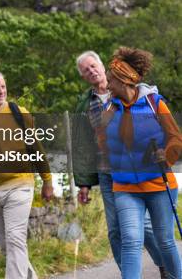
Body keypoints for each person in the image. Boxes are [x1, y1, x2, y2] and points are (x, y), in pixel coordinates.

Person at [72, 51, 165, 276]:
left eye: (93, 66)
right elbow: (82, 145)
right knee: (115, 230)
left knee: (144, 226)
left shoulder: (129, 89)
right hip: (107, 173)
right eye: (86, 70)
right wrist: (83, 183)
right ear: (84, 77)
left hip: (136, 170)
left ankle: (166, 265)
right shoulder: (85, 104)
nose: (91, 71)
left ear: (102, 66)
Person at [98, 47, 182, 279]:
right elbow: (102, 143)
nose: (107, 85)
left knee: (165, 241)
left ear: (124, 80)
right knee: (131, 242)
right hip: (125, 187)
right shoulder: (110, 107)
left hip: (158, 183)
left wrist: (167, 154)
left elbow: (176, 137)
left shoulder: (154, 103)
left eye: (111, 79)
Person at [0, 71, 52, 279]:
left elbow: (36, 148)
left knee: (15, 239)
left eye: (2, 86)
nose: (1, 91)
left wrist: (47, 180)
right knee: (7, 248)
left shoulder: (19, 112)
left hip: (19, 185)